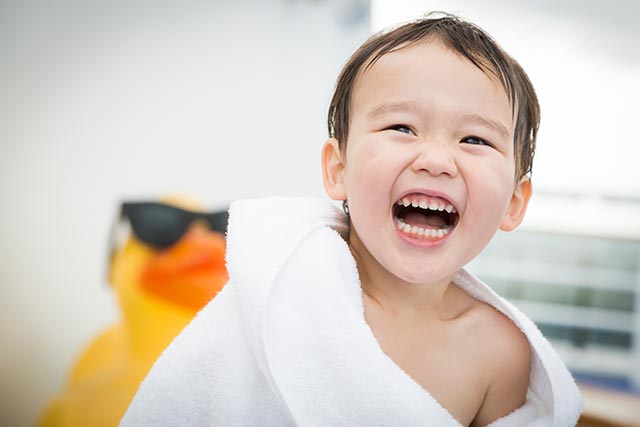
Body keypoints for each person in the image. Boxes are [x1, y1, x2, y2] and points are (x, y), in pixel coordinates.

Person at [121, 13, 582, 427]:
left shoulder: (499, 354)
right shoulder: (281, 297)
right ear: (338, 170)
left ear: (514, 202)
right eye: (401, 127)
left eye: (476, 139)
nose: (437, 160)